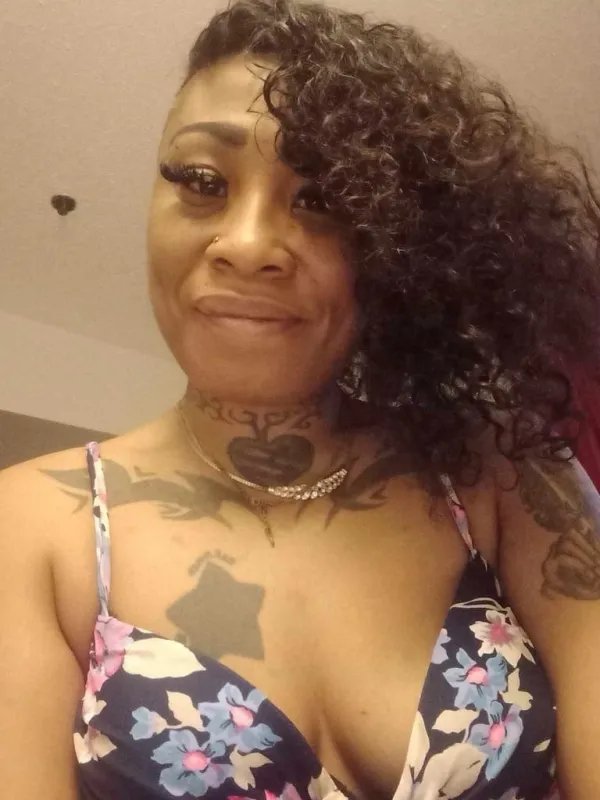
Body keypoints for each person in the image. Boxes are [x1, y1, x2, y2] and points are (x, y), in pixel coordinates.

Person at [1, 0, 600, 798]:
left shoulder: (504, 476)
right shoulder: (32, 529)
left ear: (394, 242)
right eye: (203, 181)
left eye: (321, 199)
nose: (248, 246)